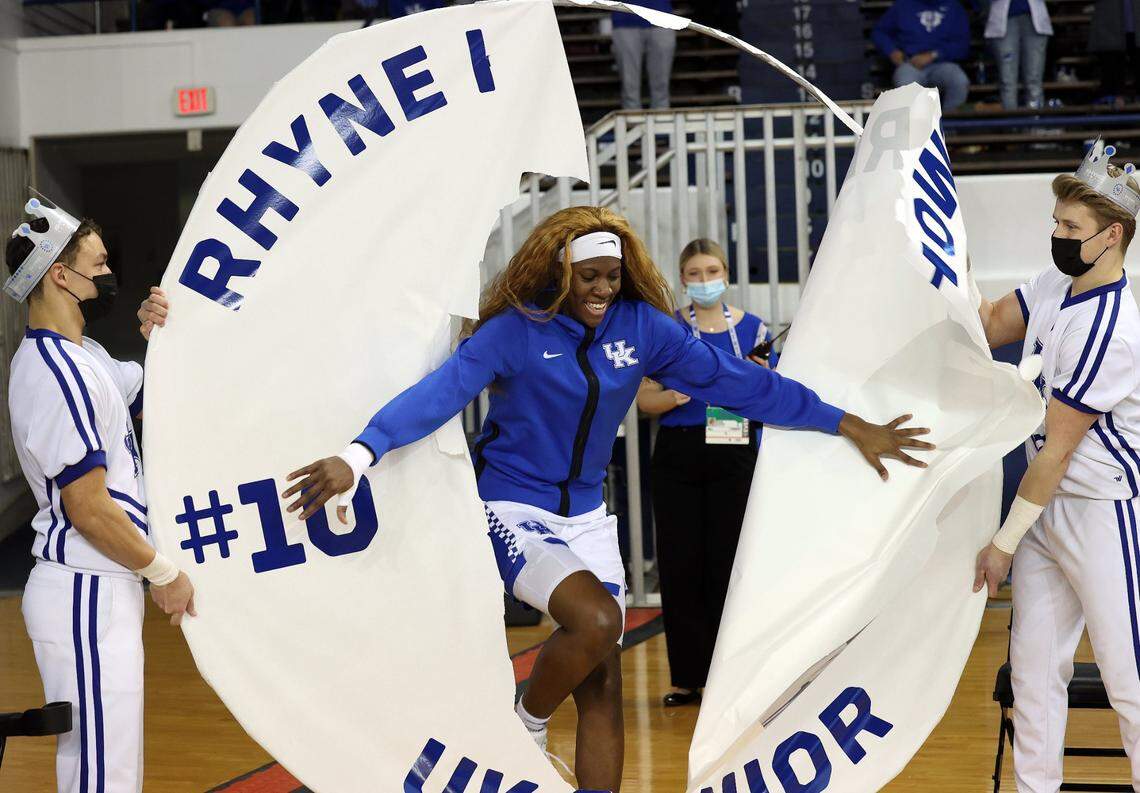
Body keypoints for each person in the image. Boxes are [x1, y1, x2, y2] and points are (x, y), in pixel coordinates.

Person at [264, 206, 931, 793]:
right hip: (513, 509)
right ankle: (523, 720)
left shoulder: (643, 328)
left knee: (604, 682)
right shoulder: (514, 330)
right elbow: (440, 394)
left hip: (587, 517)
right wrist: (358, 455)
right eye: (590, 277)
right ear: (559, 270)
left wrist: (846, 423)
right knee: (597, 620)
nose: (603, 290)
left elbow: (740, 386)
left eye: (613, 277)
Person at [5, 197, 195, 793]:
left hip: (100, 586)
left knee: (113, 767)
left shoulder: (83, 357)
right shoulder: (54, 372)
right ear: (61, 275)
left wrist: (154, 331)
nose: (109, 273)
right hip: (85, 586)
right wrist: (162, 572)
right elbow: (87, 508)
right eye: (100, 263)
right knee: (99, 775)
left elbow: (151, 389)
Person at [971, 140, 1140, 791]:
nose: (1056, 235)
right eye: (1056, 223)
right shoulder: (1054, 283)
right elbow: (988, 323)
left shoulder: (1112, 327)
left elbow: (1063, 449)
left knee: (1130, 685)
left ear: (1111, 236)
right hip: (1046, 506)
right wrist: (940, 256)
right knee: (1036, 678)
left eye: (1071, 228)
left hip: (1101, 511)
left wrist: (1003, 543)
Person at [636, 238, 776, 708]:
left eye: (711, 271)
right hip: (677, 453)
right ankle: (687, 678)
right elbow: (644, 402)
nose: (704, 281)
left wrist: (752, 378)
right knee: (680, 567)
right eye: (694, 274)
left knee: (729, 566)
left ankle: (731, 678)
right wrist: (678, 389)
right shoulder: (666, 329)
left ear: (727, 273)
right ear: (682, 279)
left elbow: (769, 397)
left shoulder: (754, 329)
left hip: (733, 448)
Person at [872, 0, 973, 112]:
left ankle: (949, 126)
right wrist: (891, 50)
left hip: (942, 63)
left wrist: (934, 55)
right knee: (905, 84)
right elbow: (879, 32)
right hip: (909, 63)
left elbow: (962, 44)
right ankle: (915, 127)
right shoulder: (903, 5)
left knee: (959, 81)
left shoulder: (953, 6)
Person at [985, 0, 1053, 110]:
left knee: (1034, 79)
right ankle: (1010, 124)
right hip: (1004, 20)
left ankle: (1034, 122)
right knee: (1007, 81)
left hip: (1035, 19)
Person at [611, 0, 676, 110]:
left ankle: (660, 123)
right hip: (625, 19)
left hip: (661, 17)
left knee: (661, 85)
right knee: (629, 86)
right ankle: (632, 124)